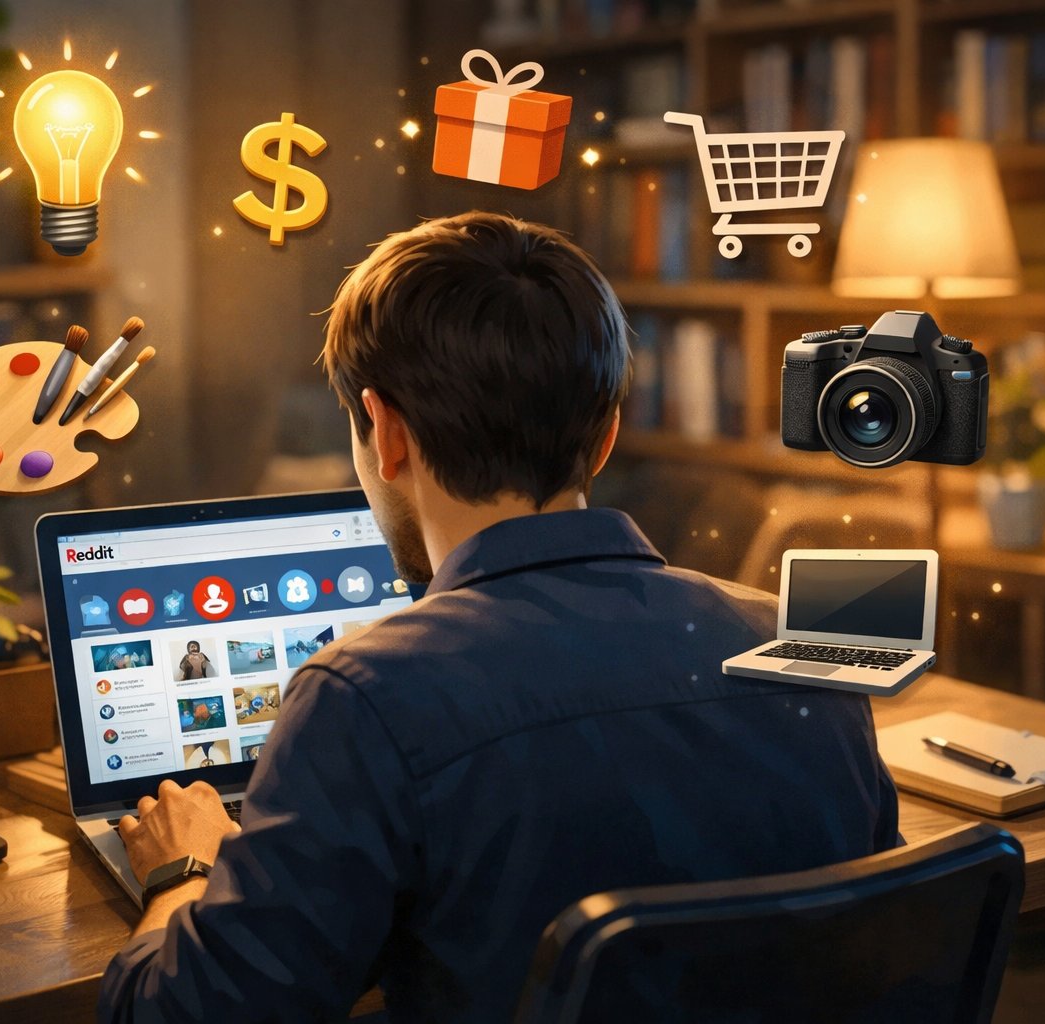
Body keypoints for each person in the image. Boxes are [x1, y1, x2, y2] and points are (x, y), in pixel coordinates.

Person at [99, 212, 900, 1023]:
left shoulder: (364, 697)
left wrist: (181, 874)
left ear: (385, 432)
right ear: (606, 435)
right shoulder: (805, 648)